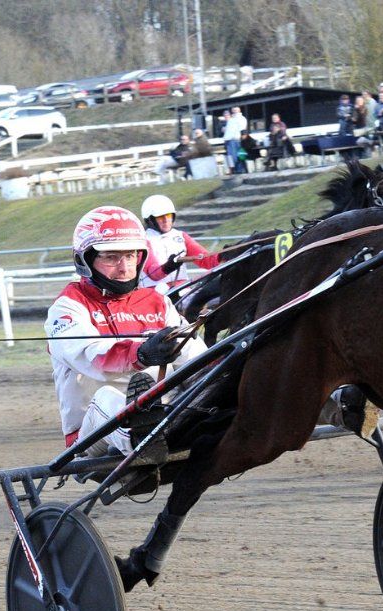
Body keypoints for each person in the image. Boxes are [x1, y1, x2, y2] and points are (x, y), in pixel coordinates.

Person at [45, 205, 206, 460]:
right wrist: (141, 353)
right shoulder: (68, 306)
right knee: (108, 397)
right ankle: (140, 438)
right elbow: (90, 357)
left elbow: (196, 358)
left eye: (130, 256)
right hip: (92, 435)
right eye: (111, 257)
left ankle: (153, 428)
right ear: (84, 260)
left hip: (163, 416)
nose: (124, 268)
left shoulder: (157, 301)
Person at [139, 194, 218, 295]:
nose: (166, 220)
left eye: (168, 216)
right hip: (155, 294)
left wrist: (225, 255)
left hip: (182, 289)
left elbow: (207, 260)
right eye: (160, 217)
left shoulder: (181, 236)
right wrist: (169, 266)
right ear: (150, 220)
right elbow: (153, 273)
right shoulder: (143, 241)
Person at [223, 106, 247, 173]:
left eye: (236, 110)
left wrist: (242, 136)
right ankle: (236, 170)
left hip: (235, 139)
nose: (234, 111)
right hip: (229, 140)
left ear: (239, 110)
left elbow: (242, 129)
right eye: (233, 110)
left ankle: (239, 170)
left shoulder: (240, 118)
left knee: (236, 156)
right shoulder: (231, 119)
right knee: (231, 157)